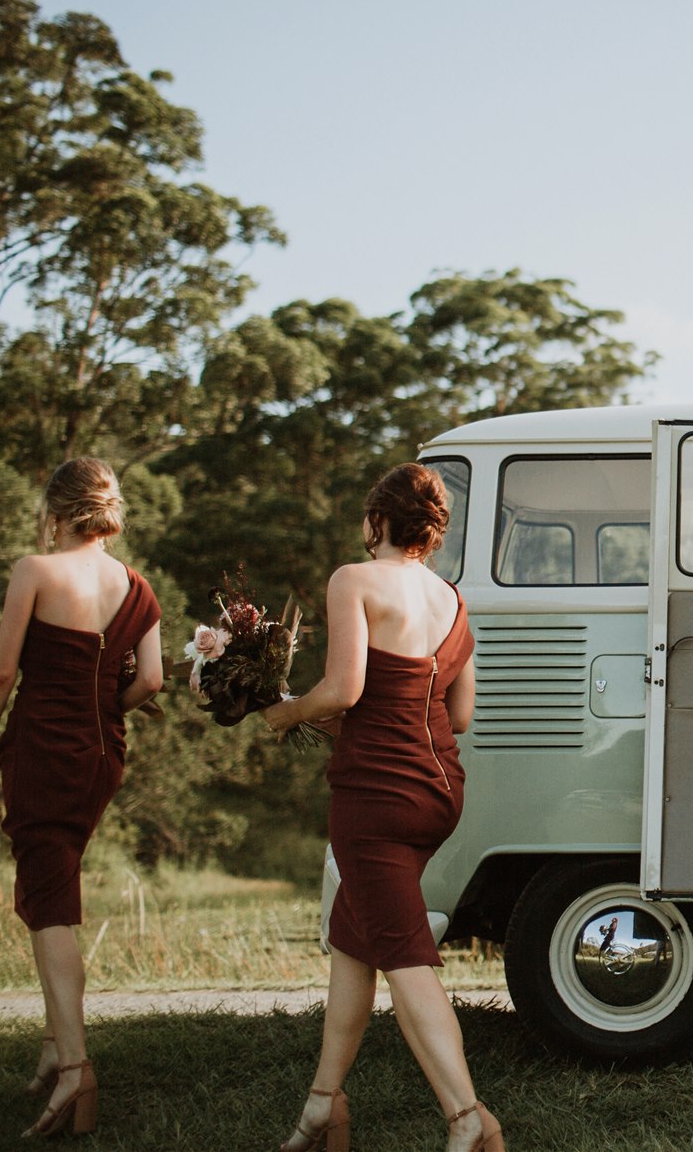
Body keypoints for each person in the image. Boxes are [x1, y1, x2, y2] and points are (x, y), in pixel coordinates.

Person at [264, 464, 504, 1152]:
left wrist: (285, 712)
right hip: (439, 791)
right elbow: (459, 714)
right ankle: (321, 1105)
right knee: (354, 940)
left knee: (403, 955)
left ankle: (467, 1117)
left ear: (377, 522)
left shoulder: (355, 580)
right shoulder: (453, 603)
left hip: (376, 794)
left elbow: (342, 688)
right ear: (429, 532)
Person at [0, 457, 163, 1139]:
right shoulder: (137, 587)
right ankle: (56, 1043)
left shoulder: (37, 570)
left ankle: (78, 1065)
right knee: (53, 885)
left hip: (44, 750)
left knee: (50, 903)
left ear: (56, 511)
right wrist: (107, 706)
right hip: (102, 755)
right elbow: (153, 681)